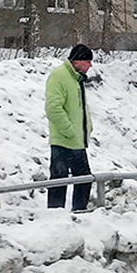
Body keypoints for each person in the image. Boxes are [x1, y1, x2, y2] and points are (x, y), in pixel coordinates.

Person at [46, 44, 94, 211]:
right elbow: (53, 108)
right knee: (60, 181)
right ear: (77, 61)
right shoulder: (60, 76)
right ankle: (55, 217)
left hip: (77, 141)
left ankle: (79, 213)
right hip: (63, 141)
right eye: (88, 61)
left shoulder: (76, 79)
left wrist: (87, 128)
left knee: (84, 180)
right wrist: (69, 130)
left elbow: (79, 108)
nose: (90, 66)